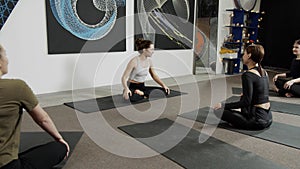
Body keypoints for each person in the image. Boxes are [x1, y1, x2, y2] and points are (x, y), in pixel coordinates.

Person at [0, 44, 69, 169]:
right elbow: (43, 119)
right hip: (7, 165)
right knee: (59, 148)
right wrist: (59, 138)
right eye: (5, 55)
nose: (7, 59)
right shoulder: (17, 87)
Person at [213, 44, 272, 130]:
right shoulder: (264, 72)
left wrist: (222, 105)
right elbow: (260, 95)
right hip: (268, 118)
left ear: (249, 55)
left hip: (257, 121)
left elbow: (246, 102)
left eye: (244, 54)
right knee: (243, 96)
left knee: (218, 111)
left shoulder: (248, 75)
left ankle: (239, 122)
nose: (242, 56)